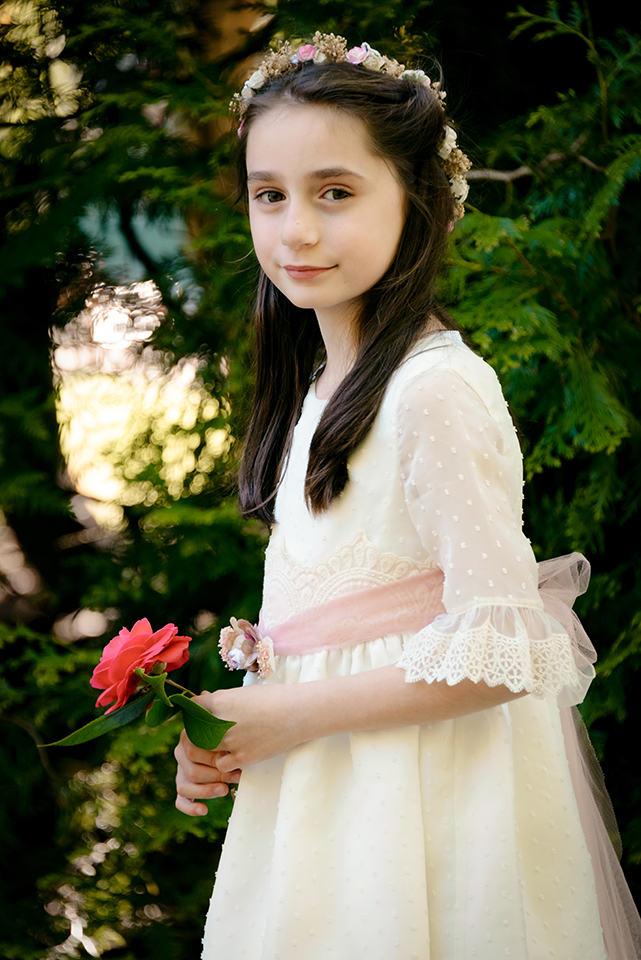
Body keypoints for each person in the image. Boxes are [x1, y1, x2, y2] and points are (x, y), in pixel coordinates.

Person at [174, 32, 641, 959]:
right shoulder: (316, 392)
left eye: (334, 193)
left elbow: (504, 652)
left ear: (417, 201)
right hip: (329, 799)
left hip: (425, 812)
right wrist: (229, 732)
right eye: (270, 195)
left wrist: (282, 717)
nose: (295, 230)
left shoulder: (432, 390)